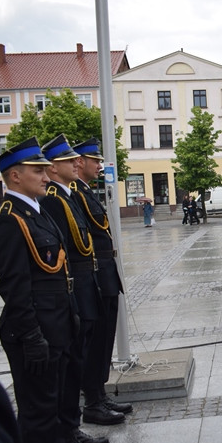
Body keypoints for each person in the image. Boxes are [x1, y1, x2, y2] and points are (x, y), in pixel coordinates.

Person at [0, 137, 92, 443]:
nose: (47, 174)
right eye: (37, 170)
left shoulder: (39, 210)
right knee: (36, 410)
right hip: (34, 332)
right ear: (14, 176)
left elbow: (57, 271)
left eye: (46, 168)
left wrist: (71, 315)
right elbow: (15, 287)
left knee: (51, 405)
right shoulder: (7, 221)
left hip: (57, 325)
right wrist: (31, 335)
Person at [39, 135, 120, 443]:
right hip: (79, 282)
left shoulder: (72, 194)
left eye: (78, 159)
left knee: (91, 347)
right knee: (77, 357)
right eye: (71, 160)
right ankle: (77, 422)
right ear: (54, 167)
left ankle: (85, 412)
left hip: (92, 276)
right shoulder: (56, 198)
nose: (79, 163)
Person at [72, 138, 132, 422]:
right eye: (94, 160)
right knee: (95, 343)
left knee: (104, 341)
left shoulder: (86, 191)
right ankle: (93, 401)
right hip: (95, 277)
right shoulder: (73, 194)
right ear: (80, 162)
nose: (100, 165)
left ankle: (100, 395)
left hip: (105, 275)